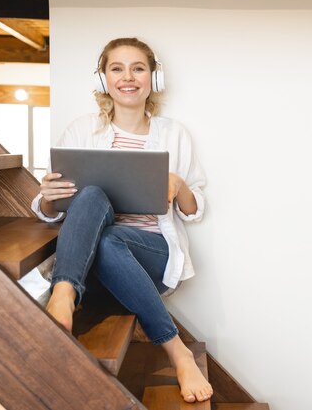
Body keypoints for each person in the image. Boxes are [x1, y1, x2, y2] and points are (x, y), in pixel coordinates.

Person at [30, 37, 212, 403]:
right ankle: (66, 291)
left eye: (138, 68)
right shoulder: (82, 130)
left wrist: (178, 185)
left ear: (153, 79)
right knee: (93, 196)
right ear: (103, 79)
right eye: (117, 68)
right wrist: (48, 200)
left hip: (150, 258)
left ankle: (65, 296)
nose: (128, 77)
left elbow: (194, 210)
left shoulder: (174, 134)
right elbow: (51, 212)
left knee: (112, 240)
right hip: (90, 267)